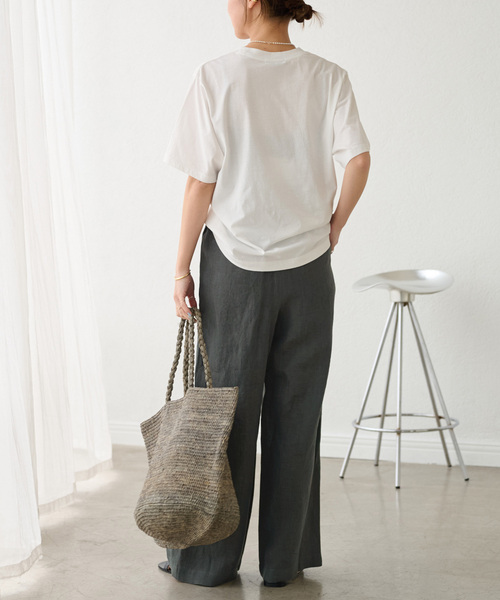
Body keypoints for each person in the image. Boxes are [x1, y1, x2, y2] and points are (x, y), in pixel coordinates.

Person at [158, 0, 371, 588]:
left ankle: (205, 561)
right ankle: (283, 562)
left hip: (235, 268)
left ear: (252, 1)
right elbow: (358, 159)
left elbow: (200, 182)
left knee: (221, 414)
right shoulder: (329, 77)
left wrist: (180, 269)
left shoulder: (217, 76)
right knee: (296, 414)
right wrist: (334, 226)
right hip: (309, 270)